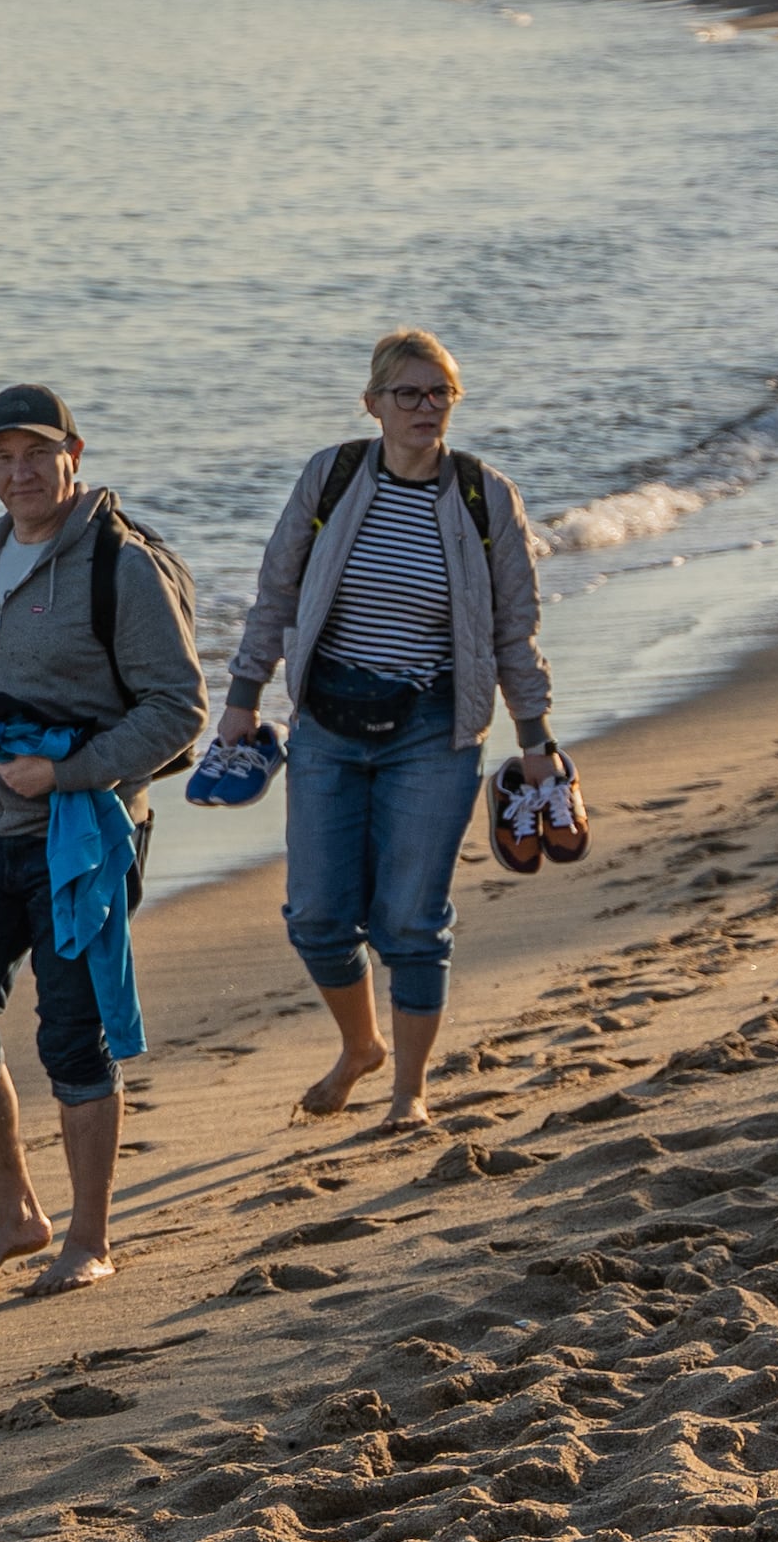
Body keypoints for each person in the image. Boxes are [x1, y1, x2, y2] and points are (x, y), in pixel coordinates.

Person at [0, 385, 203, 1299]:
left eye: (37, 452)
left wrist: (70, 773)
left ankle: (90, 1238)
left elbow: (178, 709)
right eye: (1, 455)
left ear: (74, 451)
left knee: (72, 1040)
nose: (19, 471)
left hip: (85, 837)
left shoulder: (122, 567)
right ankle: (16, 1213)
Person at [212, 333, 559, 1132]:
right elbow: (275, 594)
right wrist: (241, 696)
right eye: (407, 394)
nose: (426, 408)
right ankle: (359, 1045)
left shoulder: (485, 498)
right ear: (372, 404)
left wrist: (534, 740)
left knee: (410, 920)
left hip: (433, 732)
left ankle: (409, 1094)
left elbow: (516, 629)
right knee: (316, 918)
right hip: (328, 725)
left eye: (440, 393)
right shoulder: (330, 477)